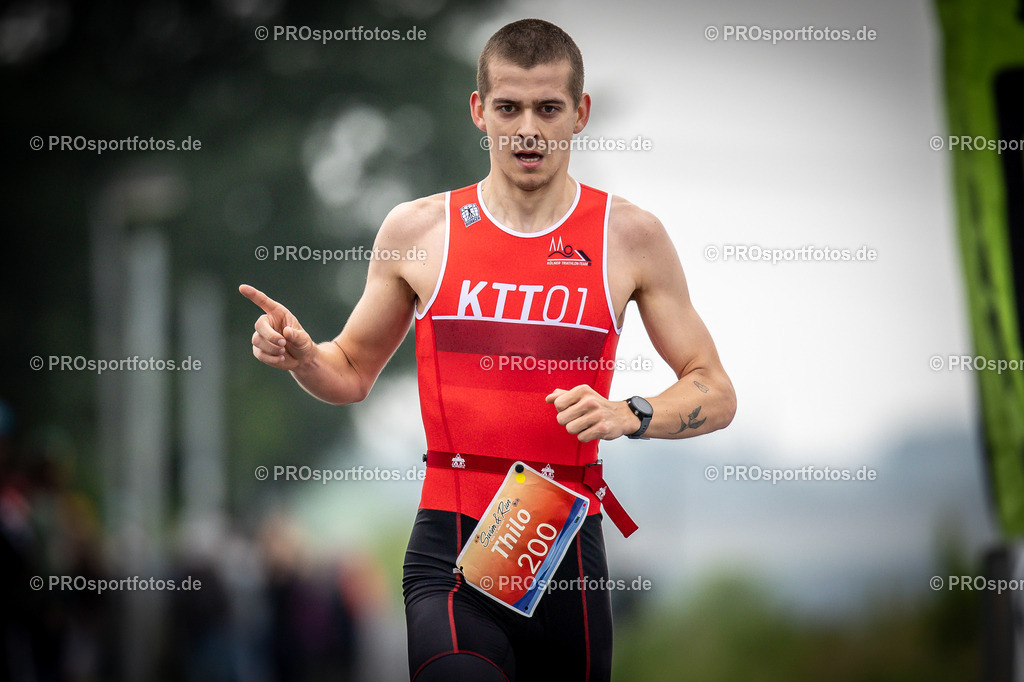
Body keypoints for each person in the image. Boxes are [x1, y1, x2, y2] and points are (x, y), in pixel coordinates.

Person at [240, 18, 736, 681]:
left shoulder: (630, 237)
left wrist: (630, 413)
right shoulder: (420, 230)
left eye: (548, 108)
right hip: (451, 545)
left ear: (580, 113)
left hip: (565, 550)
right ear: (479, 111)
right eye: (509, 107)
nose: (527, 128)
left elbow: (714, 390)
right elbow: (351, 371)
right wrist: (304, 356)